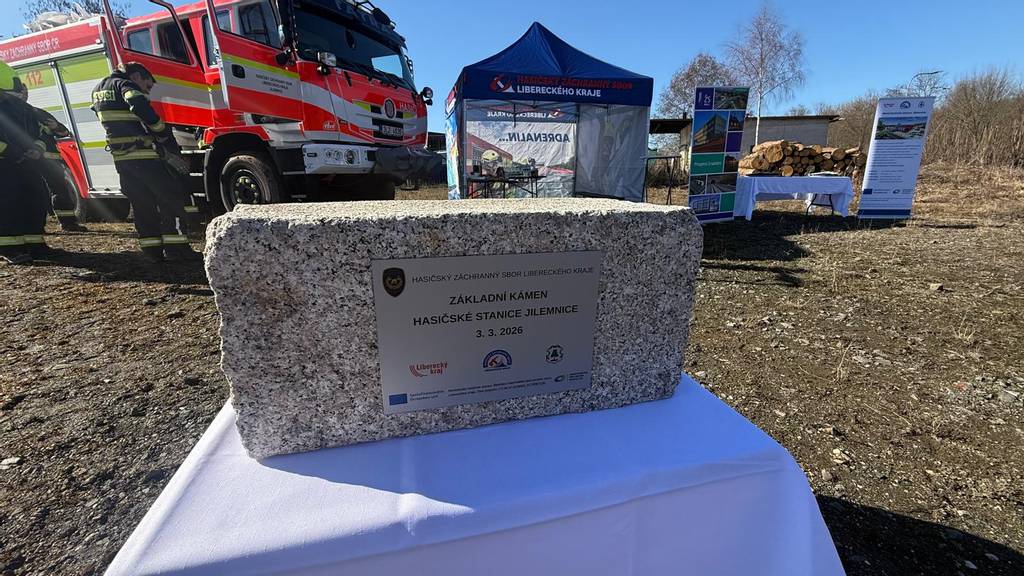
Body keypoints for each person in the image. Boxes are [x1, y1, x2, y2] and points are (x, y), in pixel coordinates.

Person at [91, 62, 199, 262]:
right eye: (147, 85)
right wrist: (160, 129)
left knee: (142, 205)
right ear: (136, 77)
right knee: (171, 197)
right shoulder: (124, 85)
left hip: (122, 159)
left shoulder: (98, 90)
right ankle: (177, 249)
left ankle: (152, 251)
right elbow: (137, 102)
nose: (147, 91)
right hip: (144, 155)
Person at [16, 81, 88, 232]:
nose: (24, 94)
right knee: (38, 193)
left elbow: (64, 132)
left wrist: (56, 127)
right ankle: (37, 226)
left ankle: (68, 223)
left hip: (52, 161)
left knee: (61, 191)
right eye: (21, 91)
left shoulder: (38, 112)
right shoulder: (15, 115)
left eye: (26, 91)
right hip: (33, 160)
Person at [0, 61, 53, 265]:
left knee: (35, 199)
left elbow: (41, 132)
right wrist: (13, 152)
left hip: (26, 162)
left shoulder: (23, 109)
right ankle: (9, 248)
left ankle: (35, 244)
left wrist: (37, 149)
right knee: (8, 204)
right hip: (4, 164)